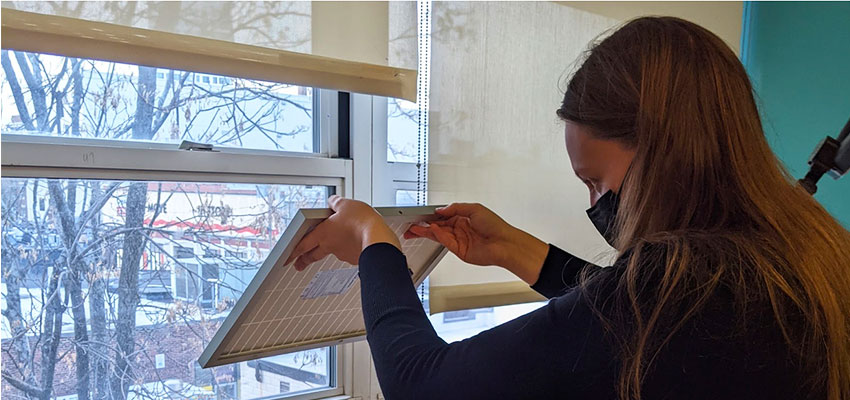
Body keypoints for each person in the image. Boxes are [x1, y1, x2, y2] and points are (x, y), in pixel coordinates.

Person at [285, 17, 850, 400]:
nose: (595, 204)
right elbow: (634, 319)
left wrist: (372, 243)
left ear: (664, 151)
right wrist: (515, 250)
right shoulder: (794, 250)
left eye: (596, 180)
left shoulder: (684, 282)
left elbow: (423, 385)